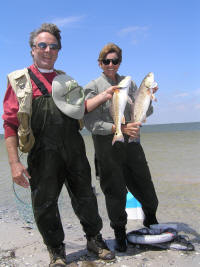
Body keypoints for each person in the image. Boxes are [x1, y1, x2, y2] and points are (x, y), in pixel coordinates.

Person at [2, 24, 115, 267]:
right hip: (42, 153)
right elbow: (10, 124)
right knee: (44, 203)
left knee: (86, 196)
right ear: (32, 49)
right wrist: (14, 163)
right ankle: (56, 250)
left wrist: (105, 96)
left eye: (53, 46)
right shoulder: (19, 81)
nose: (47, 50)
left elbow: (80, 109)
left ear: (58, 51)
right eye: (41, 45)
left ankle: (95, 240)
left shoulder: (67, 80)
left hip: (74, 149)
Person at [83, 43, 159, 253]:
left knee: (145, 186)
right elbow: (91, 123)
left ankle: (151, 223)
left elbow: (143, 112)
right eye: (106, 61)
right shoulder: (93, 87)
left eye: (115, 61)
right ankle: (119, 233)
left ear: (119, 62)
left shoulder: (129, 83)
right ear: (100, 63)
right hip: (107, 150)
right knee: (114, 193)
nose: (111, 64)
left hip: (132, 147)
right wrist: (120, 129)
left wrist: (148, 96)